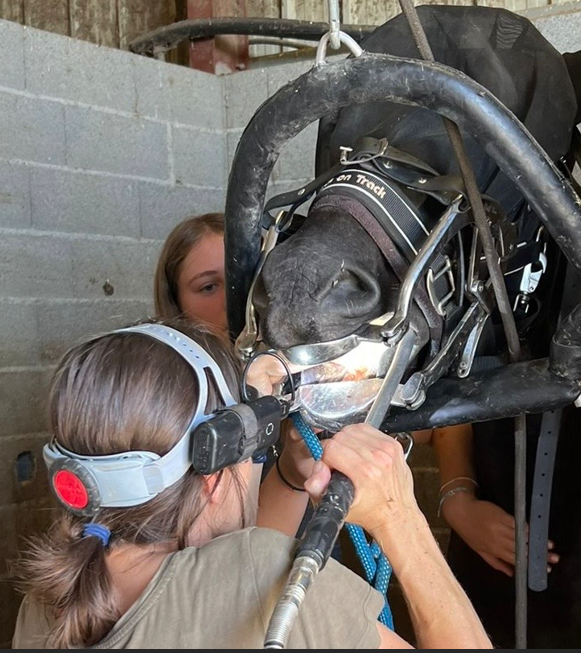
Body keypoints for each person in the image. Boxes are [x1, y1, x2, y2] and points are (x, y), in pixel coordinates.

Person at [12, 318, 492, 649]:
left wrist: (288, 476)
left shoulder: (54, 595)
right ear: (213, 474)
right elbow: (244, 576)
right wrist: (399, 517)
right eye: (256, 450)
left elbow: (224, 576)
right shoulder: (269, 587)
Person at [153, 213, 558, 577]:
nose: (235, 302)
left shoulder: (308, 367)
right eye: (208, 286)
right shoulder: (169, 409)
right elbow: (232, 573)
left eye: (248, 280)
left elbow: (424, 415)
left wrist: (457, 500)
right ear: (176, 304)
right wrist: (293, 476)